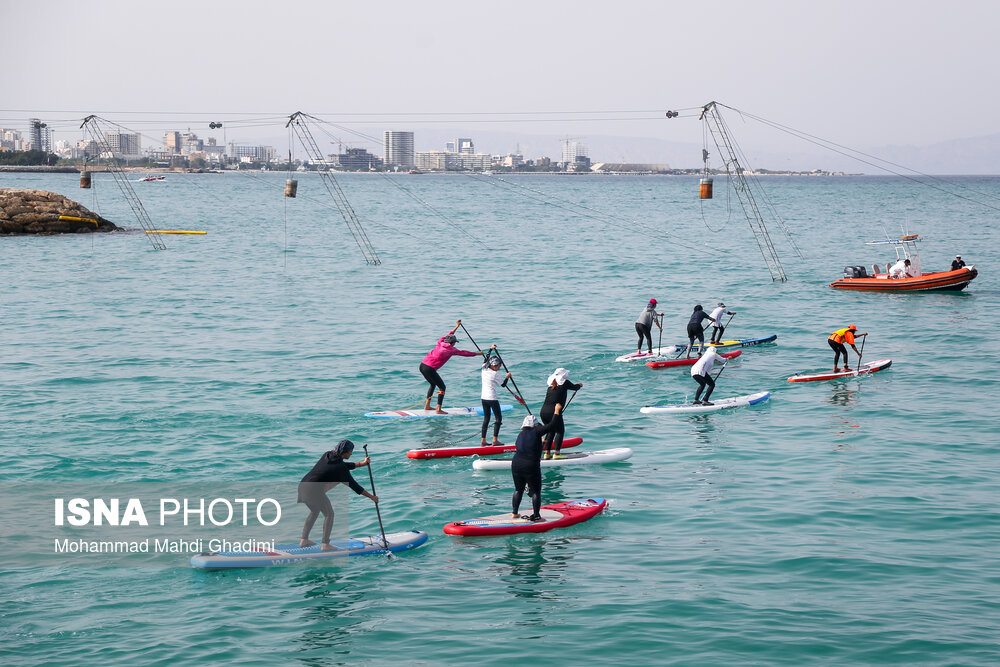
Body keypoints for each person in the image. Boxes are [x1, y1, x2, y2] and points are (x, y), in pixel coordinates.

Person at [298, 439, 378, 551]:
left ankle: (304, 540)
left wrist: (362, 464)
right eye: (350, 451)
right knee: (329, 514)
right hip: (314, 491)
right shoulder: (340, 468)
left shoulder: (328, 454)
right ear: (344, 452)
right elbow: (355, 487)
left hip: (303, 486)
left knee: (315, 511)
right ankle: (325, 544)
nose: (351, 453)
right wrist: (372, 497)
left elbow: (343, 466)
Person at [419, 320, 484, 413]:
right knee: (442, 387)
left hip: (422, 365)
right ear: (452, 343)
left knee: (433, 384)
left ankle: (427, 406)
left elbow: (449, 334)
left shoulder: (440, 341)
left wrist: (457, 327)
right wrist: (477, 353)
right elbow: (464, 353)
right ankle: (438, 409)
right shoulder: (451, 350)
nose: (455, 344)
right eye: (454, 342)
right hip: (430, 369)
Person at [511, 411, 560, 521]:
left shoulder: (521, 434)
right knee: (536, 491)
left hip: (516, 464)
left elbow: (526, 444)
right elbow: (552, 425)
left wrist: (539, 441)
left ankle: (514, 513)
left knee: (518, 490)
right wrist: (556, 412)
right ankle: (537, 516)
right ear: (534, 425)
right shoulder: (536, 431)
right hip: (530, 465)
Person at [540, 368, 583, 460]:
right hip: (554, 412)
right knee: (560, 431)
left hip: (543, 412)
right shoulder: (565, 383)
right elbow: (575, 387)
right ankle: (557, 454)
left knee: (550, 431)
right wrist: (579, 385)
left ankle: (547, 453)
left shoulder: (551, 386)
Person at [481, 346, 511, 446]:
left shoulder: (484, 369)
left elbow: (486, 359)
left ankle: (483, 441)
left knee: (486, 418)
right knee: (498, 419)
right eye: (498, 366)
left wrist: (490, 349)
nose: (499, 368)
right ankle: (495, 440)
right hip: (492, 398)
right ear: (494, 366)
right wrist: (507, 377)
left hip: (484, 398)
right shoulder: (494, 374)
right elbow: (503, 385)